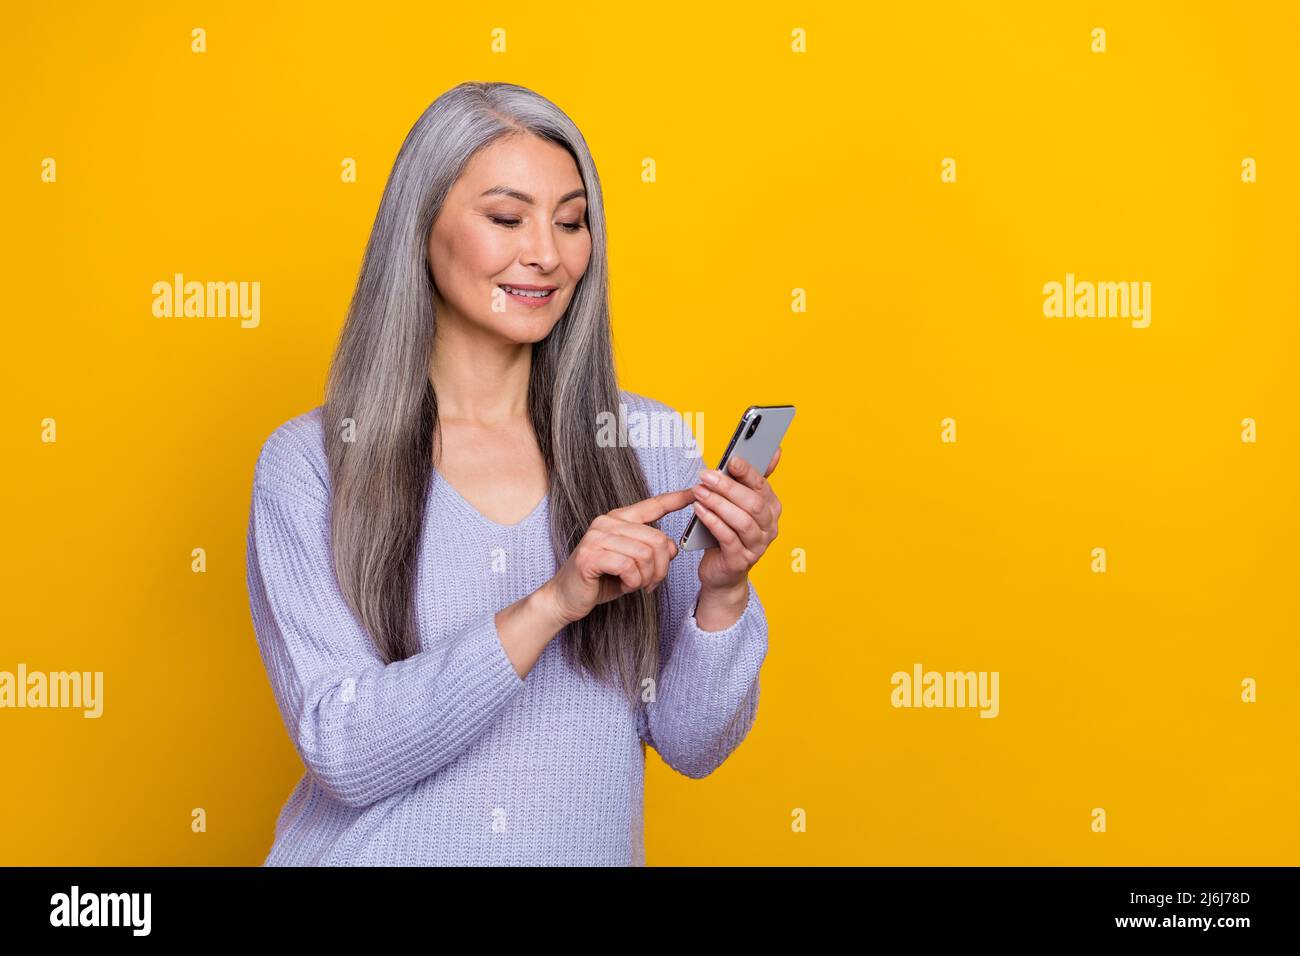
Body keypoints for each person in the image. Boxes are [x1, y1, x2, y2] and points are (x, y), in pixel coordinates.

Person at [245, 81, 784, 865]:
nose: (548, 253)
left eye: (572, 222)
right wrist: (551, 605)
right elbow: (344, 751)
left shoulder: (647, 444)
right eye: (506, 218)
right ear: (421, 226)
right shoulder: (311, 464)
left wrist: (725, 591)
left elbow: (695, 745)